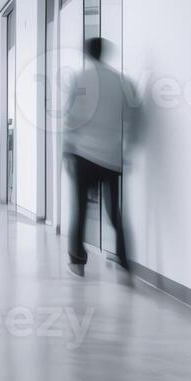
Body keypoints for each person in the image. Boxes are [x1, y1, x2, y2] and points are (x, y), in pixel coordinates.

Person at [62, 38, 129, 277]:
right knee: (113, 208)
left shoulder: (80, 78)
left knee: (79, 207)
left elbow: (71, 115)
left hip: (85, 153)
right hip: (112, 155)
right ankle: (123, 257)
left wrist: (66, 148)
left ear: (87, 53)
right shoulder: (119, 80)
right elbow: (130, 113)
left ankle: (77, 261)